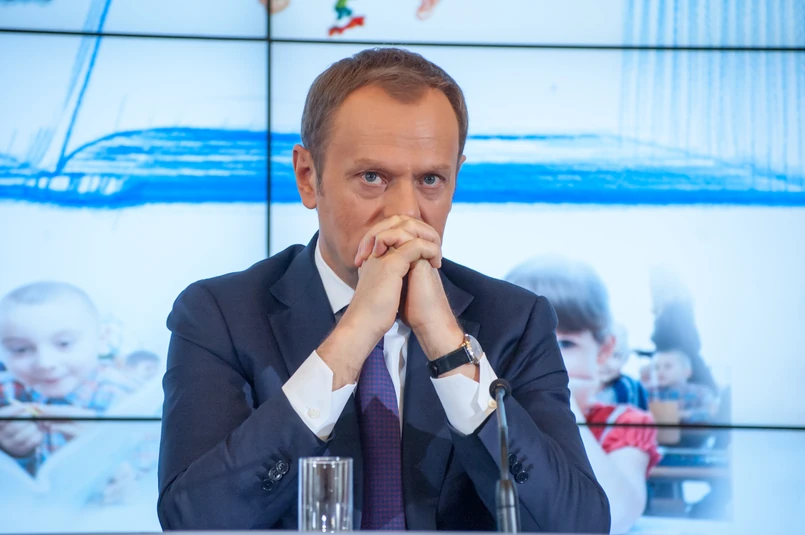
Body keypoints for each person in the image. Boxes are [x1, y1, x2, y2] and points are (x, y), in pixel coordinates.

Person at [158, 48, 609, 532]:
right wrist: (353, 335)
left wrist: (448, 348)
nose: (405, 213)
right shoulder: (220, 315)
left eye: (430, 180)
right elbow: (193, 521)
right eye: (372, 177)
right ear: (308, 178)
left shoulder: (515, 321)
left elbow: (579, 526)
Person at [506, 256, 660, 534]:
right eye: (526, 342)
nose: (546, 358)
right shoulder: (498, 417)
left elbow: (617, 516)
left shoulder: (622, 424)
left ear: (604, 350)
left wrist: (565, 406)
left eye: (566, 344)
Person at [0, 282, 132, 475]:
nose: (45, 363)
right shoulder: (6, 393)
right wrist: (12, 452)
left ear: (102, 339)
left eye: (64, 343)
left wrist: (108, 454)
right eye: (20, 349)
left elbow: (152, 467)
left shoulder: (123, 397)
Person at [646, 349, 718, 424]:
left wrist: (680, 415)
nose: (660, 371)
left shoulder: (700, 392)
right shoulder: (648, 392)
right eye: (656, 367)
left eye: (668, 366)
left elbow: (711, 412)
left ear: (686, 372)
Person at [597, 325, 649, 410]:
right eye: (600, 353)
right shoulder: (577, 387)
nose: (607, 363)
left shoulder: (630, 388)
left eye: (615, 356)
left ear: (624, 360)